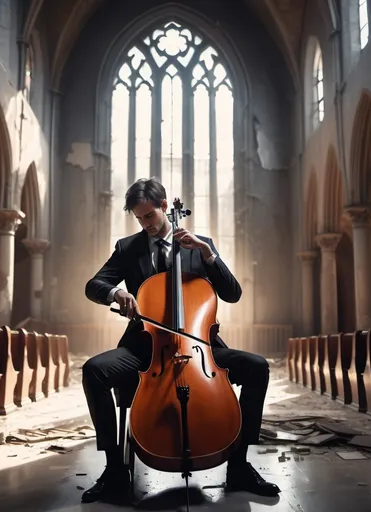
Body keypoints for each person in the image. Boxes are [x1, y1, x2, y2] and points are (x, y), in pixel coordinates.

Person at [81, 177, 280, 504]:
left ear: (164, 208)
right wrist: (117, 292)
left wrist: (209, 256)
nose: (145, 224)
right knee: (94, 370)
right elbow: (94, 285)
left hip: (200, 347)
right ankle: (115, 471)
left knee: (257, 367)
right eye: (139, 218)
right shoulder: (127, 248)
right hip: (145, 349)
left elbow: (232, 294)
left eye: (150, 216)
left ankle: (240, 466)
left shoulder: (200, 245)